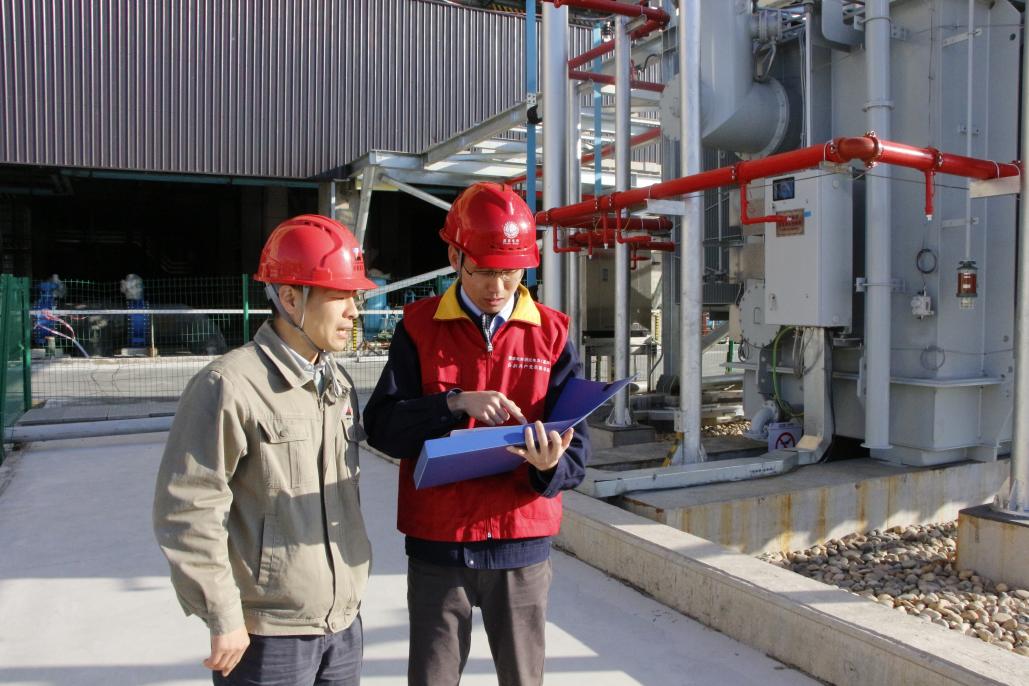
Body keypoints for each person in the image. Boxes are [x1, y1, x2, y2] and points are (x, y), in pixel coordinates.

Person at [364, 182, 590, 686]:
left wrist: (550, 465)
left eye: (511, 272)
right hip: (439, 544)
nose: (498, 286)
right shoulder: (418, 328)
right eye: (485, 271)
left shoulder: (552, 334)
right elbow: (382, 426)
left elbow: (578, 449)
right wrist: (452, 403)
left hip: (520, 543)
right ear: (455, 257)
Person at [153, 214, 375, 685]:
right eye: (339, 296)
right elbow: (188, 508)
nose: (354, 311)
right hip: (267, 637)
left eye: (354, 296)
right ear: (291, 299)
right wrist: (222, 614)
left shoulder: (337, 382)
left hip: (342, 625)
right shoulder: (229, 385)